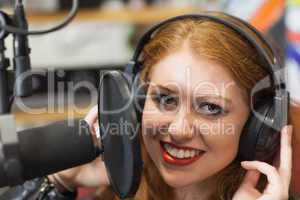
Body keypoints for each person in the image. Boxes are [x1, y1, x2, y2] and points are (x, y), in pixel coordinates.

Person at [0, 12, 294, 200]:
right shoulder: (105, 189)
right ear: (135, 103)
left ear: (260, 124)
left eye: (210, 108)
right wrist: (58, 184)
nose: (178, 130)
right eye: (165, 99)